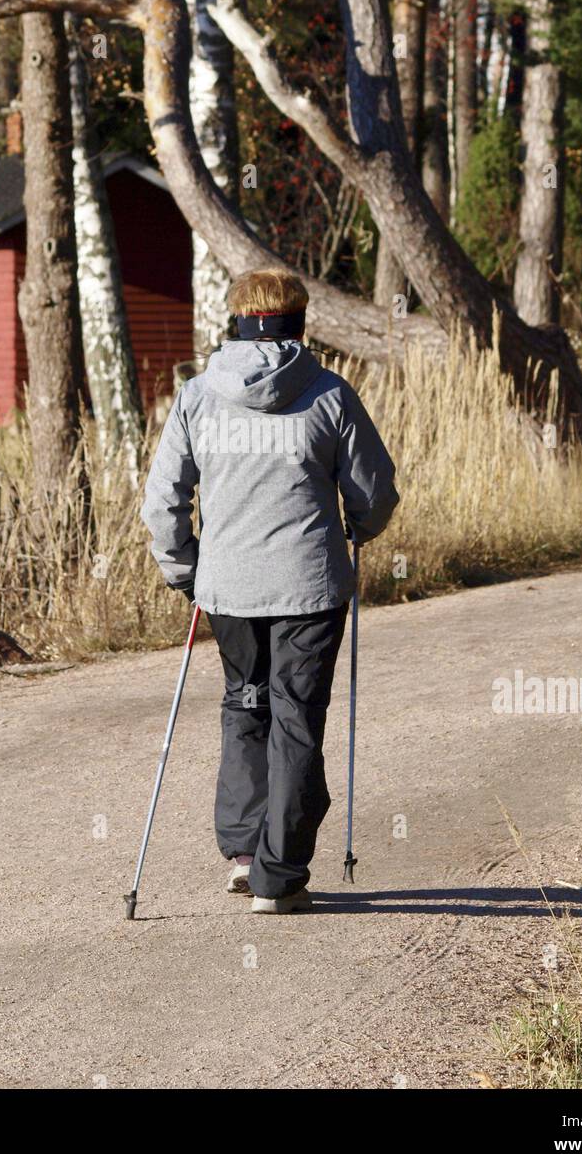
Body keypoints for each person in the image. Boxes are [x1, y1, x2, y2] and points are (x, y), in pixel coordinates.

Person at [142, 268, 398, 913]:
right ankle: (279, 880)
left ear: (236, 321)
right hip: (309, 586)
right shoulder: (330, 395)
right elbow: (374, 491)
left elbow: (164, 498)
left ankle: (243, 851)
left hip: (227, 587)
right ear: (298, 321)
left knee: (246, 704)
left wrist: (183, 567)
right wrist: (357, 529)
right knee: (295, 719)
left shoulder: (198, 397)